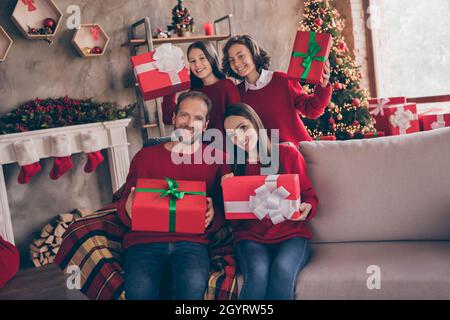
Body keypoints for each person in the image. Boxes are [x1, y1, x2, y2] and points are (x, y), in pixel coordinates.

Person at [117, 91, 228, 300]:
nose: (189, 123)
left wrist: (214, 215)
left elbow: (225, 209)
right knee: (139, 293)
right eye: (185, 115)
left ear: (205, 125)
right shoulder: (145, 157)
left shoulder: (218, 159)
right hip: (144, 241)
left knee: (192, 289)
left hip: (192, 243)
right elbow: (123, 201)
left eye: (198, 118)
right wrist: (127, 207)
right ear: (174, 117)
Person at [221, 103, 318, 300]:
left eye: (243, 128)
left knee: (282, 270)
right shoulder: (232, 167)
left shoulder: (287, 155)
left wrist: (307, 206)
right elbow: (232, 220)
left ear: (255, 124)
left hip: (291, 235)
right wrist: (227, 192)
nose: (239, 138)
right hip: (250, 238)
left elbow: (308, 195)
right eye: (232, 135)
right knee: (257, 274)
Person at [222, 34, 332, 147]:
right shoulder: (237, 94)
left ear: (253, 54)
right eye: (231, 60)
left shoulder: (281, 80)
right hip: (270, 159)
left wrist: (323, 86)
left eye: (240, 56)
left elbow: (311, 110)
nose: (236, 63)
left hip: (300, 151)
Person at [162, 41, 240, 133]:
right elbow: (168, 118)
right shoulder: (194, 91)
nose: (197, 65)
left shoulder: (227, 86)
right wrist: (173, 81)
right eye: (192, 61)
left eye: (202, 58)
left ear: (212, 58)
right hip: (197, 146)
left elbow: (238, 122)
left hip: (222, 146)